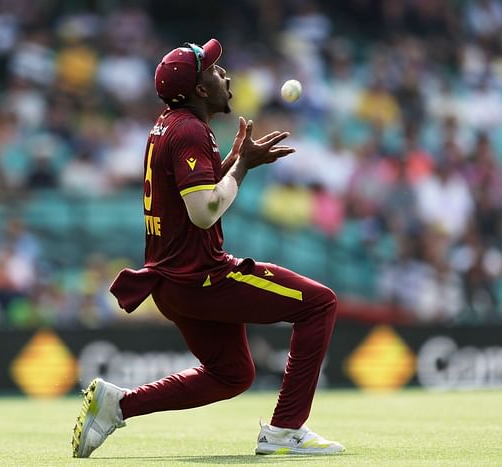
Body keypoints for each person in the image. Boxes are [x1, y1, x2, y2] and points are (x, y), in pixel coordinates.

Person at [72, 38, 344, 458]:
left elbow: (185, 199)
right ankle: (286, 429)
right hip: (203, 278)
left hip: (171, 281)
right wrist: (242, 169)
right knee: (319, 303)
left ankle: (118, 405)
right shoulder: (190, 130)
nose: (225, 76)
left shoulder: (167, 124)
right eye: (215, 71)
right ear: (199, 90)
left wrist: (232, 162)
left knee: (232, 373)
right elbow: (203, 212)